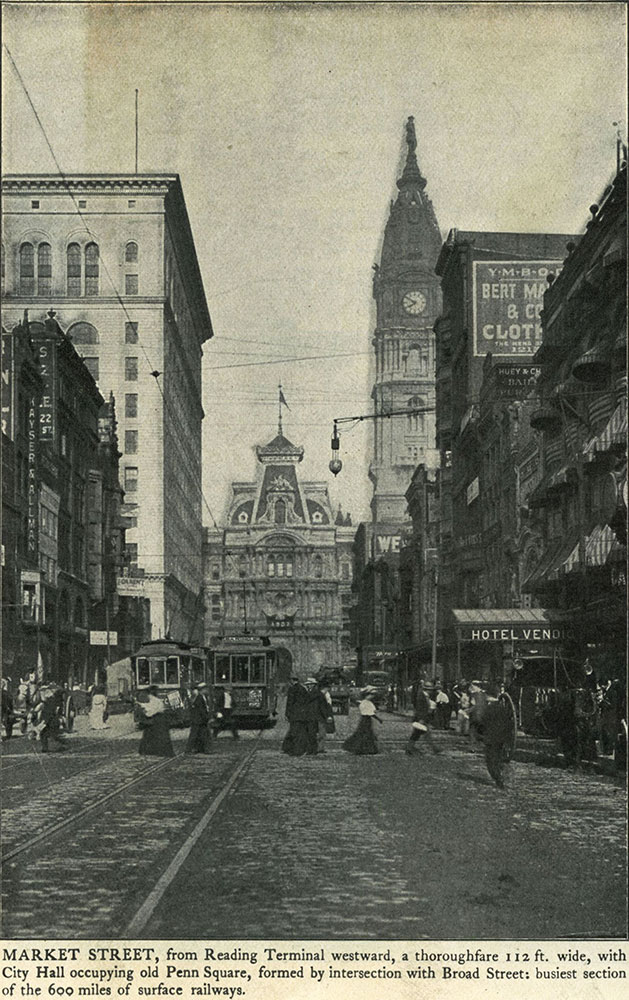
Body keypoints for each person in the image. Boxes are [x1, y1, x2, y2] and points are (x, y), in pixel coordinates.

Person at [482, 684, 513, 788]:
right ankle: (500, 775)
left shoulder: (488, 709)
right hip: (501, 738)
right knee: (498, 757)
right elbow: (509, 724)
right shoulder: (503, 708)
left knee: (490, 759)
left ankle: (498, 778)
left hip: (490, 738)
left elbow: (483, 723)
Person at [343, 686, 382, 755]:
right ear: (367, 695)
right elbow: (369, 713)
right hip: (365, 719)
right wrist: (378, 719)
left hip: (366, 719)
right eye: (371, 695)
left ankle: (367, 749)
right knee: (364, 733)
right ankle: (362, 748)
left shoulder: (367, 702)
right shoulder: (365, 703)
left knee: (366, 733)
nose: (372, 696)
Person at [406, 678, 441, 755]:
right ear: (427, 690)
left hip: (423, 718)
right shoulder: (421, 696)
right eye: (431, 690)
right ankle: (434, 748)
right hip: (421, 718)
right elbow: (420, 709)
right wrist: (421, 719)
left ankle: (409, 748)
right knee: (425, 734)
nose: (432, 691)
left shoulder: (425, 695)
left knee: (416, 734)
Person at [138, 685, 174, 757]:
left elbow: (150, 710)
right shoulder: (154, 699)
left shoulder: (153, 699)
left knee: (153, 736)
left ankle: (151, 751)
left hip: (157, 719)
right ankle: (157, 751)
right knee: (158, 735)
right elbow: (150, 708)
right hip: (158, 719)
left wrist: (147, 713)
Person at [282, 676, 311, 756]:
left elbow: (290, 703)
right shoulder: (303, 689)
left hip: (295, 714)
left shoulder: (292, 689)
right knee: (301, 733)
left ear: (292, 680)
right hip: (303, 714)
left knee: (294, 733)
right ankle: (302, 749)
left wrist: (287, 714)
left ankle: (296, 751)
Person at [38, 685, 66, 753]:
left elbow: (48, 714)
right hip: (51, 721)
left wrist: (43, 722)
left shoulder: (49, 702)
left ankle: (46, 747)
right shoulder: (54, 702)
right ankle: (48, 747)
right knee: (47, 734)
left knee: (44, 734)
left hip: (49, 721)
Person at [186, 683, 212, 753]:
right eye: (206, 689)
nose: (207, 690)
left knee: (203, 735)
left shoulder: (202, 697)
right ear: (202, 690)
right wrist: (206, 717)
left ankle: (203, 749)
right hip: (198, 720)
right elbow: (201, 710)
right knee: (194, 736)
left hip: (200, 720)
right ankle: (189, 750)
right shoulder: (200, 698)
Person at [468, 680, 488, 751]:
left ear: (476, 686)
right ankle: (483, 745)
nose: (471, 687)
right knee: (481, 730)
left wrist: (467, 712)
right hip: (483, 716)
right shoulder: (484, 695)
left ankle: (473, 747)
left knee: (472, 731)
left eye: (473, 686)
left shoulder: (473, 695)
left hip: (474, 715)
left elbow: (473, 705)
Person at [316, 680, 335, 754]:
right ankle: (320, 748)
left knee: (322, 733)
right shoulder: (322, 696)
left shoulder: (321, 695)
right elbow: (323, 707)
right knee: (322, 733)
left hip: (320, 716)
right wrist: (327, 716)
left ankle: (320, 747)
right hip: (321, 717)